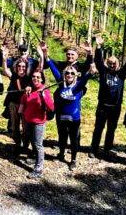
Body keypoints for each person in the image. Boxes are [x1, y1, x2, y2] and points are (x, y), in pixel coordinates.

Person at [45, 42, 97, 171]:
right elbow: (51, 66)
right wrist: (45, 52)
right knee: (62, 135)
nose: (69, 75)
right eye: (67, 73)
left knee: (73, 138)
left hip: (74, 117)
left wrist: (91, 67)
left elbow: (87, 75)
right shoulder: (61, 83)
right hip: (61, 115)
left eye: (72, 74)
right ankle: (61, 153)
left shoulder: (78, 86)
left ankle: (73, 159)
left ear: (76, 76)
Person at [90, 37, 126, 159]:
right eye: (110, 63)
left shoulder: (121, 74)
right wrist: (99, 47)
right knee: (98, 128)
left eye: (114, 63)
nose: (112, 65)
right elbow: (98, 61)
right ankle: (93, 149)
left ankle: (107, 149)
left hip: (115, 107)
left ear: (117, 64)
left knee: (111, 130)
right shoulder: (104, 72)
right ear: (107, 63)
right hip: (102, 106)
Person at [18, 69, 54, 179]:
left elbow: (51, 107)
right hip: (28, 120)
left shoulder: (45, 91)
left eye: (38, 77)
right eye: (34, 76)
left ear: (42, 79)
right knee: (32, 141)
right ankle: (35, 158)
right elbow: (23, 102)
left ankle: (38, 168)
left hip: (39, 122)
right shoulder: (30, 90)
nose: (35, 78)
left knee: (38, 144)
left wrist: (43, 96)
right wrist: (21, 116)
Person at [3, 55, 32, 153]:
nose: (21, 68)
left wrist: (29, 88)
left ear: (26, 67)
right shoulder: (14, 76)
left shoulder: (29, 77)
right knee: (14, 125)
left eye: (23, 66)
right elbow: (6, 70)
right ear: (16, 67)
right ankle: (18, 144)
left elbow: (31, 86)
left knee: (25, 126)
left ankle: (25, 145)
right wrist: (4, 59)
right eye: (19, 66)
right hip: (13, 104)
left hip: (25, 105)